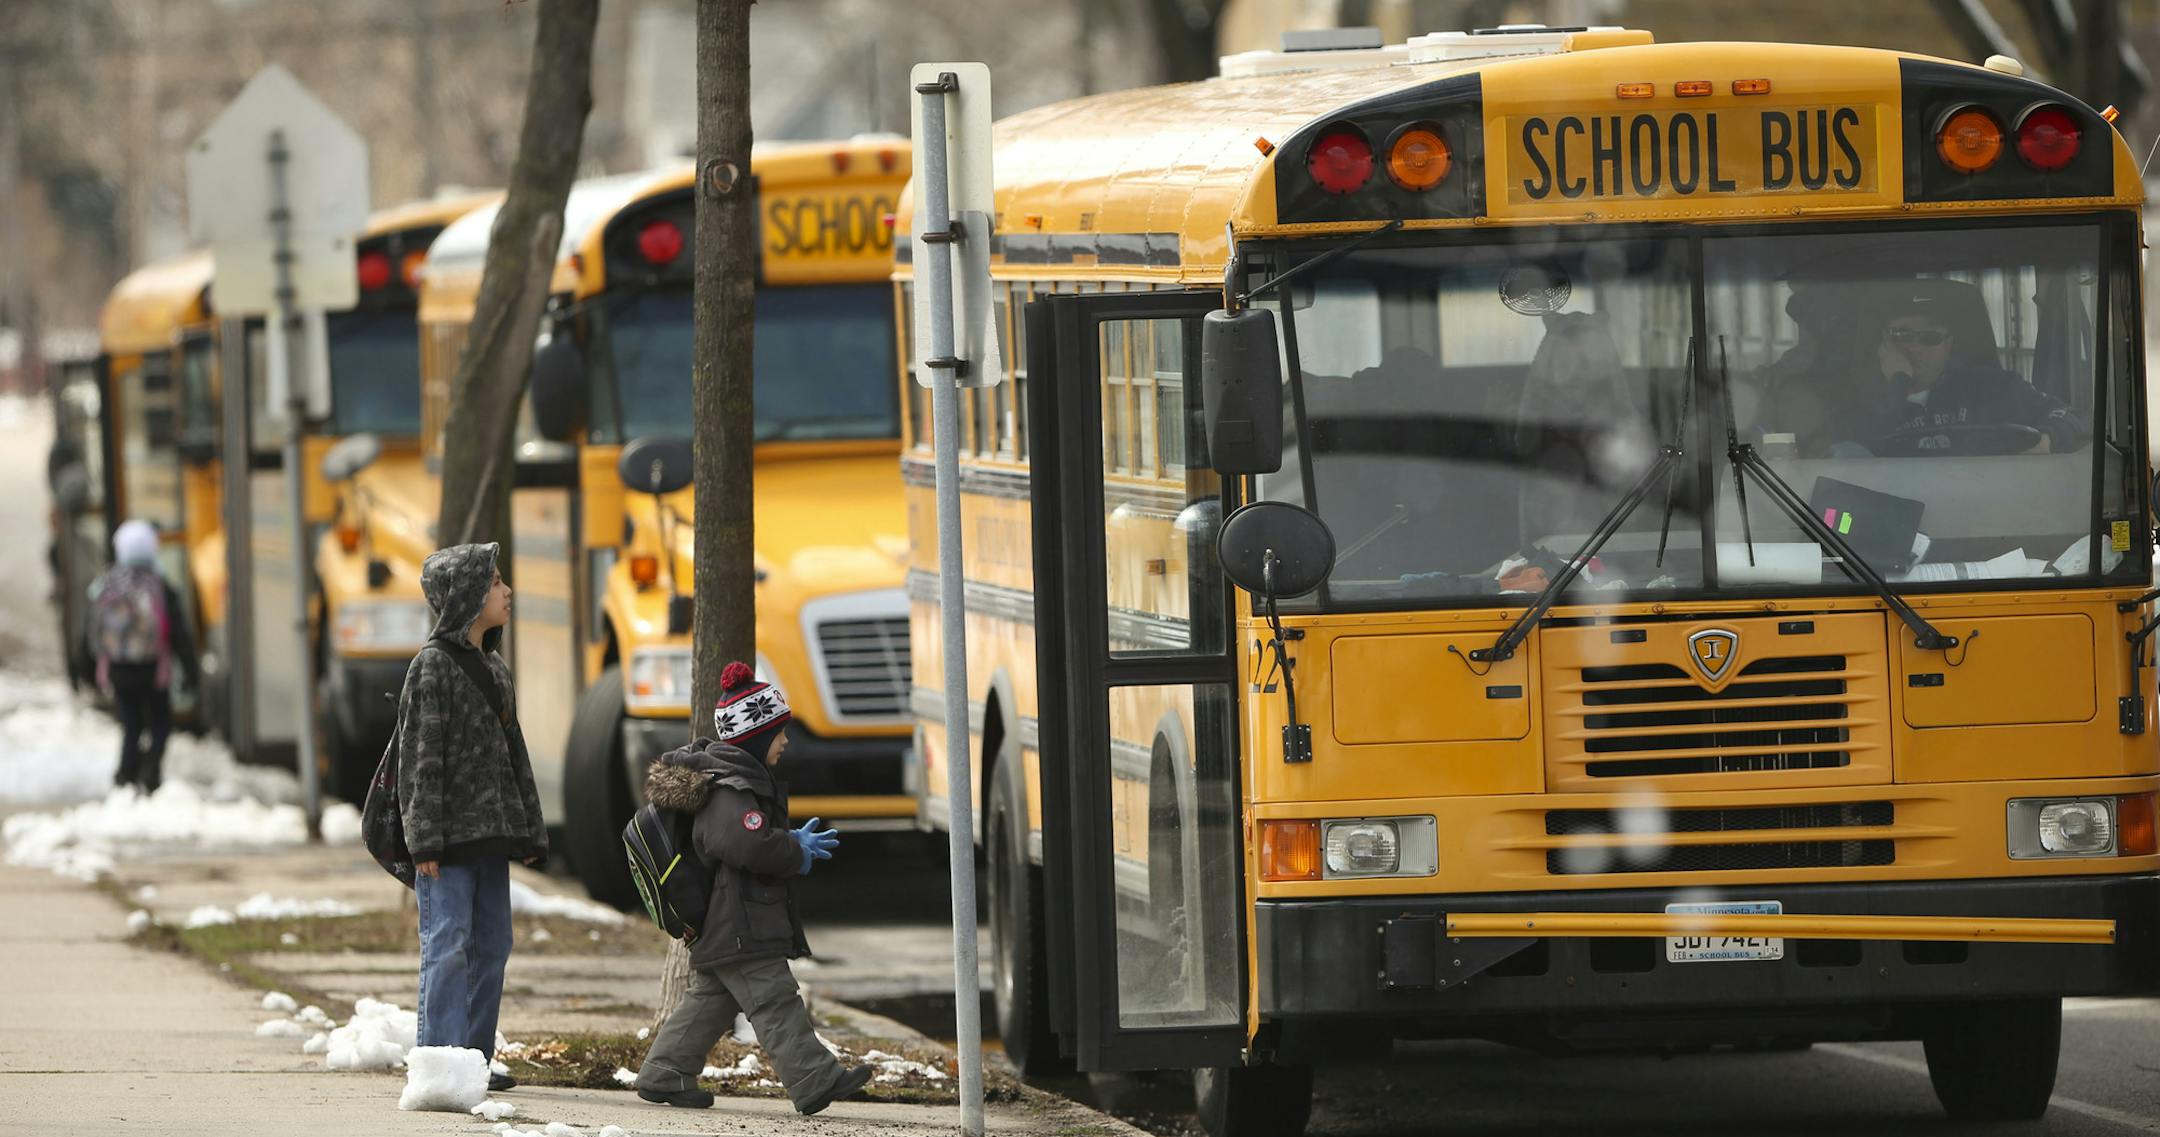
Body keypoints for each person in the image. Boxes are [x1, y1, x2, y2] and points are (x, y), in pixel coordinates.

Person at [633, 661, 874, 1117]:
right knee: (775, 999)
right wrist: (792, 850)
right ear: (757, 737)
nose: (785, 742)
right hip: (741, 920)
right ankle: (814, 1078)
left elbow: (747, 835)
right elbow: (738, 840)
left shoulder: (734, 782)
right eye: (778, 733)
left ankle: (665, 1071)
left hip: (733, 919)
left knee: (712, 1001)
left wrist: (790, 840)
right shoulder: (733, 787)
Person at [393, 542, 547, 1093]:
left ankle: (474, 1060)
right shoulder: (431, 668)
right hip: (447, 845)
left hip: (491, 838)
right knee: (448, 944)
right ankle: (439, 1065)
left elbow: (515, 756)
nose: (507, 592)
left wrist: (530, 828)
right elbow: (420, 761)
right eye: (496, 582)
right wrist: (424, 844)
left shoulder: (495, 669)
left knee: (493, 945)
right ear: (467, 595)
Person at [1840, 280, 2084, 455]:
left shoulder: (1994, 389)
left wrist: (2046, 441)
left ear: (1948, 344)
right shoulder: (1857, 403)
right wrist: (1898, 385)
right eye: (1902, 335)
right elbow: (1844, 456)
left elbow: (2071, 417)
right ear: (1884, 340)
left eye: (1929, 338)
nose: (1915, 347)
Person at [90, 520, 198, 794]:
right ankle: (150, 771)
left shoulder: (108, 582)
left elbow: (90, 630)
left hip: (118, 667)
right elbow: (178, 632)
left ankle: (126, 775)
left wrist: (90, 667)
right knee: (161, 721)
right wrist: (190, 670)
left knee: (131, 723)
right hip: (153, 668)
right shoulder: (159, 584)